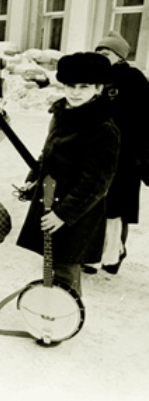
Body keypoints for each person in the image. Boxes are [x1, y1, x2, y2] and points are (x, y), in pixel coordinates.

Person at [17, 52, 120, 298]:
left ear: (98, 88)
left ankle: (61, 315)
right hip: (51, 200)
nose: (75, 92)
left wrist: (63, 215)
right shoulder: (62, 115)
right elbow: (48, 153)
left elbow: (96, 183)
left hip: (76, 213)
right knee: (55, 264)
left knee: (64, 267)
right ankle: (55, 310)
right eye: (71, 86)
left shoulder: (103, 128)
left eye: (84, 87)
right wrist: (33, 179)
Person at [81, 31, 149, 275]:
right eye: (98, 51)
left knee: (116, 208)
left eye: (106, 52)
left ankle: (113, 256)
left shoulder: (133, 79)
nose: (101, 55)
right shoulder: (93, 78)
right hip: (98, 153)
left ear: (119, 56)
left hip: (125, 155)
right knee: (94, 204)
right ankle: (91, 256)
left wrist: (142, 156)